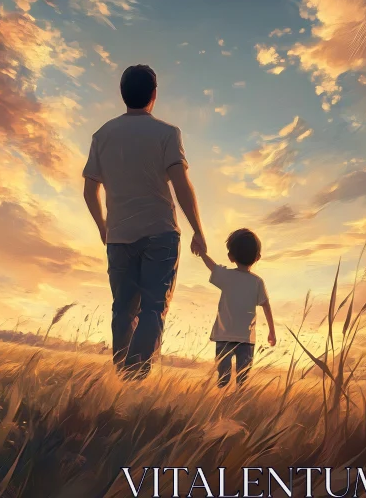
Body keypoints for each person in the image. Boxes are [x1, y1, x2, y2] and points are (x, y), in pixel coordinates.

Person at [83, 64, 207, 379]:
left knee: (123, 311)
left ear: (123, 94)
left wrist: (103, 227)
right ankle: (135, 379)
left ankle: (121, 381)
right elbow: (181, 184)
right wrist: (198, 230)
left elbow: (89, 190)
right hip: (161, 234)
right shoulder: (167, 133)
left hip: (119, 237)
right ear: (154, 95)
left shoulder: (102, 135)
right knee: (153, 309)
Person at [195, 228, 276, 388]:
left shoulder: (227, 276)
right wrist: (272, 331)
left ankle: (220, 401)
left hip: (224, 336)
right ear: (258, 257)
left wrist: (202, 253)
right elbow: (266, 306)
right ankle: (236, 403)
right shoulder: (257, 282)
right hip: (246, 339)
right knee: (243, 378)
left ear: (231, 257)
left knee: (223, 376)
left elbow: (212, 266)